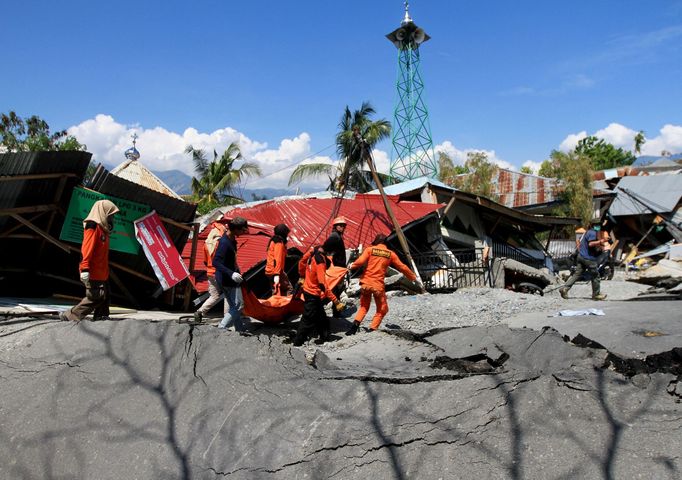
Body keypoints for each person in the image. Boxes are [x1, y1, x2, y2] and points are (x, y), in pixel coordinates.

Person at [61, 199, 120, 322]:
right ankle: (72, 315)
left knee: (105, 295)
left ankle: (101, 316)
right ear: (104, 213)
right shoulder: (92, 226)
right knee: (96, 296)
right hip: (92, 271)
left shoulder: (103, 229)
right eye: (111, 215)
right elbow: (86, 249)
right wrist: (84, 268)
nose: (112, 218)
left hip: (102, 272)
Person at [346, 234, 417, 335]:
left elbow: (360, 262)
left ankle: (353, 328)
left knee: (364, 307)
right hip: (377, 286)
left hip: (365, 284)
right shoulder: (390, 254)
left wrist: (351, 266)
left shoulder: (370, 250)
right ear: (385, 243)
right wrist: (412, 277)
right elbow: (402, 267)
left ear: (376, 242)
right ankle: (372, 329)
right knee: (383, 309)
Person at [293, 239, 342, 346]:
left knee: (321, 316)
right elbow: (322, 284)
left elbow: (301, 261)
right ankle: (297, 342)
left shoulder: (313, 252)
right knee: (307, 318)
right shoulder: (321, 261)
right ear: (330, 251)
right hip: (312, 293)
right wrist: (336, 301)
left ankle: (325, 336)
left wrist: (302, 275)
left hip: (308, 289)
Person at [215, 217, 250, 332]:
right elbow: (216, 262)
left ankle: (240, 329)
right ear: (235, 229)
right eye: (242, 230)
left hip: (229, 277)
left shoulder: (232, 239)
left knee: (234, 306)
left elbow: (232, 260)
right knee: (239, 305)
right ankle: (222, 327)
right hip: (226, 279)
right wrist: (231, 273)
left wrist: (237, 271)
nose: (244, 232)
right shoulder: (224, 243)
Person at [560, 222, 609, 301]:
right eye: (598, 225)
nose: (599, 227)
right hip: (588, 258)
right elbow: (590, 244)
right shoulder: (592, 232)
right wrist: (601, 241)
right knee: (595, 276)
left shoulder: (588, 232)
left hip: (581, 256)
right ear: (594, 225)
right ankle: (596, 294)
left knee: (577, 274)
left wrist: (599, 244)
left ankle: (565, 289)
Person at [193, 222, 228, 322]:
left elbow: (205, 260)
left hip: (210, 272)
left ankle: (200, 312)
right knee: (228, 294)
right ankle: (227, 318)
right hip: (220, 273)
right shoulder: (221, 243)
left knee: (214, 296)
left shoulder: (206, 244)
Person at [325, 216, 347, 317]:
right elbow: (324, 249)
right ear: (335, 226)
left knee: (336, 289)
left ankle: (336, 311)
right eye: (340, 225)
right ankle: (336, 312)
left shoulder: (337, 236)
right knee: (335, 289)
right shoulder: (334, 236)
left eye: (343, 226)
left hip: (338, 268)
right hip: (336, 269)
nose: (342, 227)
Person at [265, 223, 291, 296]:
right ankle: (284, 305)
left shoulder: (275, 240)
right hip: (275, 271)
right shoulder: (278, 243)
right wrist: (277, 274)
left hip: (272, 270)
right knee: (287, 289)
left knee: (277, 290)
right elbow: (277, 259)